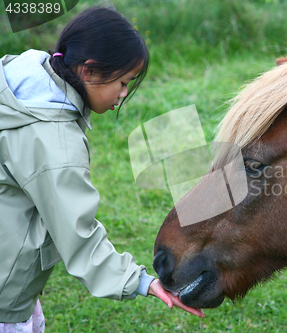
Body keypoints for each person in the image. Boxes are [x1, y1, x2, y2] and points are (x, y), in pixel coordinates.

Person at [0, 6, 204, 332]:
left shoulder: (21, 80)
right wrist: (140, 281)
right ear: (89, 71)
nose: (124, 94)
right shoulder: (55, 142)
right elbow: (79, 235)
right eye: (123, 82)